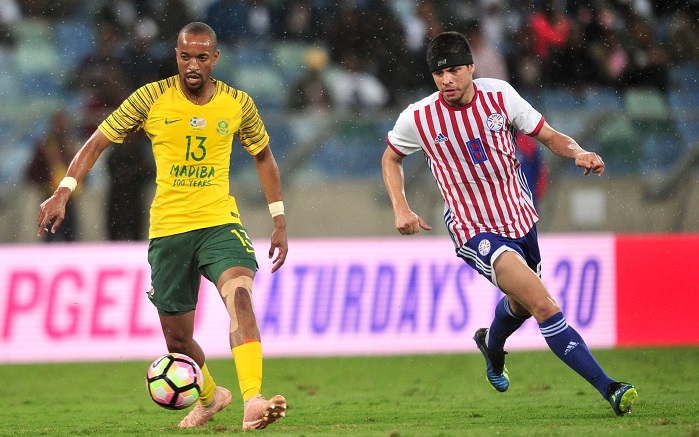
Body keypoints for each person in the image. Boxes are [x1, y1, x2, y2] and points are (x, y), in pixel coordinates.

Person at [37, 22, 288, 430]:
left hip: (219, 222)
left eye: (202, 57)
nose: (193, 65)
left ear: (215, 59)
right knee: (177, 342)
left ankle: (253, 399)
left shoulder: (238, 103)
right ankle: (210, 398)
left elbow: (263, 155)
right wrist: (64, 190)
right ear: (176, 55)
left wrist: (278, 218)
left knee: (240, 297)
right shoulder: (150, 98)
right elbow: (97, 140)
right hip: (169, 230)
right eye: (185, 56)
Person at [381, 31, 638, 416]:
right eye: (438, 74)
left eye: (453, 70)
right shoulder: (418, 117)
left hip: (520, 218)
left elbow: (548, 135)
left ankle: (493, 343)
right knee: (543, 304)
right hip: (473, 228)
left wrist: (579, 151)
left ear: (471, 68)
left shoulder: (500, 96)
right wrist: (400, 207)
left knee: (519, 304)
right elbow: (390, 157)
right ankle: (610, 388)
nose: (446, 80)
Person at [26, 110, 80, 242]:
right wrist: (45, 181)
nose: (62, 127)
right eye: (59, 124)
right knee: (52, 235)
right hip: (50, 196)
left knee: (70, 234)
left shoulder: (71, 145)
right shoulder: (46, 146)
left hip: (68, 198)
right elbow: (31, 172)